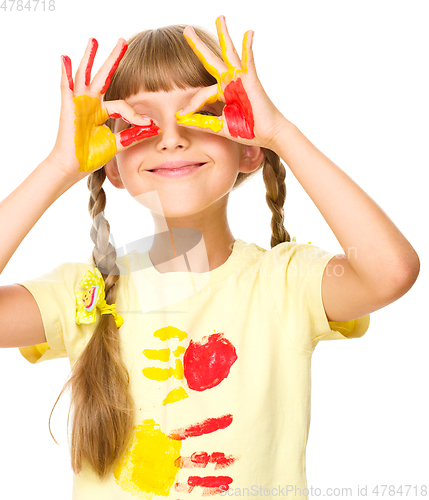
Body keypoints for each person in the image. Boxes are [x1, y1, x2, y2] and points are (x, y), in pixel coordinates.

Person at [0, 15, 420, 500]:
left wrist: (280, 132)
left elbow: (392, 271)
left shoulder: (284, 283)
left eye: (202, 112)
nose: (172, 136)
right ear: (110, 164)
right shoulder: (83, 295)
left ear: (247, 147)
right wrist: (59, 166)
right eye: (142, 122)